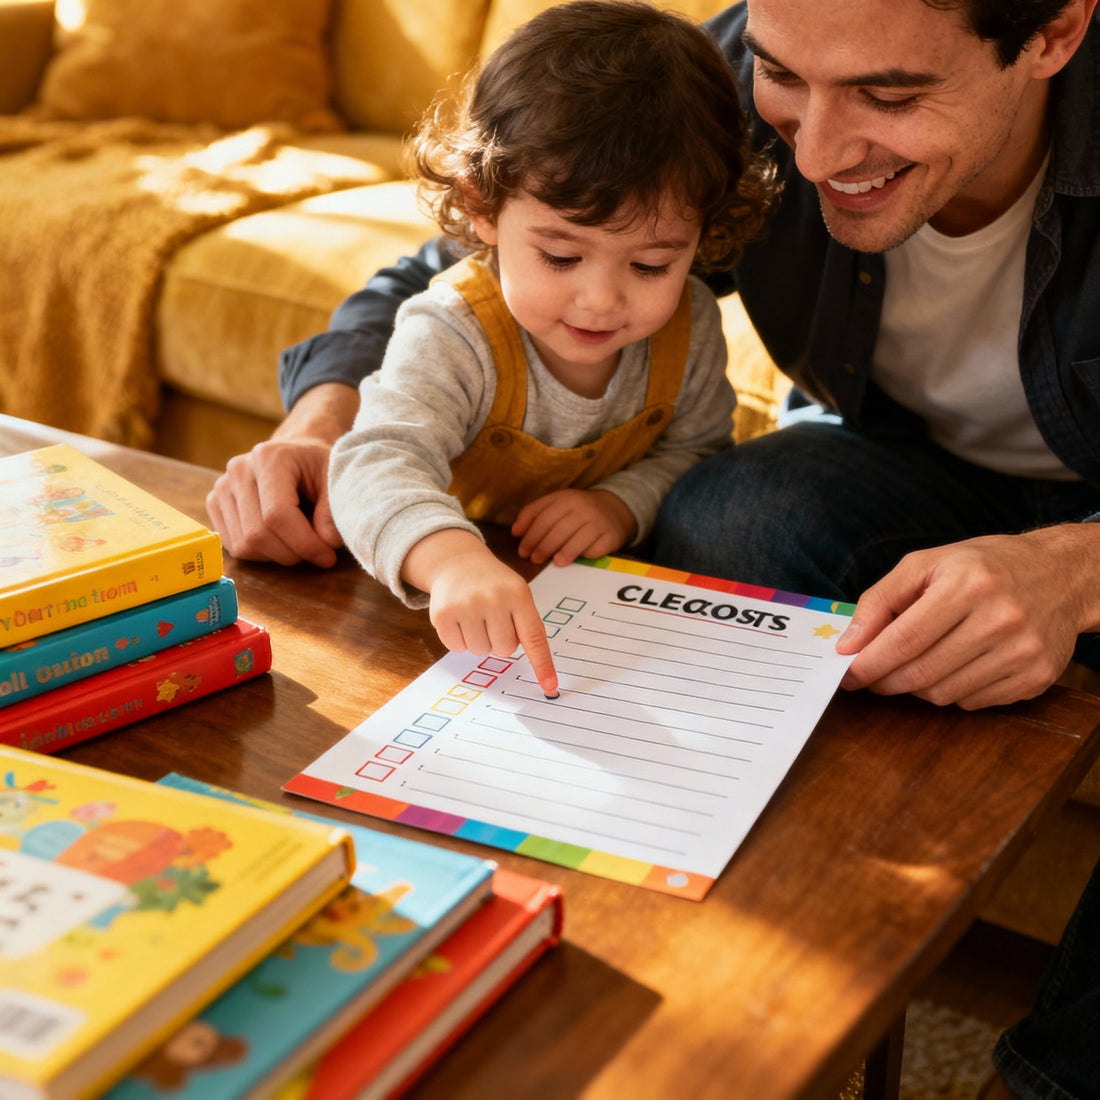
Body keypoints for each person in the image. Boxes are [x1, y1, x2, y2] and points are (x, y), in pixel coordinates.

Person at [205, 0, 1100, 1094]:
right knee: (735, 518)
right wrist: (320, 423)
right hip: (892, 463)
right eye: (781, 78)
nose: (811, 153)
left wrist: (1071, 567)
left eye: (889, 96)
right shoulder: (718, 73)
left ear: (1053, 33)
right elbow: (457, 265)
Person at [321, 1, 776, 693]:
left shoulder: (689, 327)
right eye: (562, 256)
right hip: (445, 622)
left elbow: (696, 452)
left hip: (593, 627)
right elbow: (371, 460)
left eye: (651, 265)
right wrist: (447, 561)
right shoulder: (452, 329)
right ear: (482, 206)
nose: (602, 300)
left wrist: (621, 503)